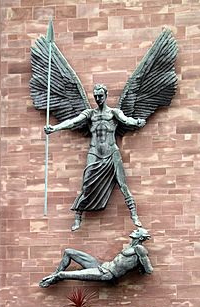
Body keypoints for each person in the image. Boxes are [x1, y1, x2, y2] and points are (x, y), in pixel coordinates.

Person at [45, 83, 146, 231]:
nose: (98, 99)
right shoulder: (89, 114)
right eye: (96, 96)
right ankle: (78, 217)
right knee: (86, 184)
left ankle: (134, 215)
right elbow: (73, 122)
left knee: (123, 184)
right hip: (94, 151)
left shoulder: (114, 113)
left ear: (106, 95)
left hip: (111, 151)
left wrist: (137, 122)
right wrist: (54, 128)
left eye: (100, 96)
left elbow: (126, 120)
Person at [39, 227, 153, 287]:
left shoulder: (140, 249)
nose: (134, 230)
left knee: (63, 275)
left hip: (107, 274)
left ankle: (54, 279)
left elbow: (149, 269)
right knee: (69, 252)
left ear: (141, 237)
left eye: (137, 231)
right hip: (102, 267)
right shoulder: (131, 246)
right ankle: (55, 273)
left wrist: (142, 266)